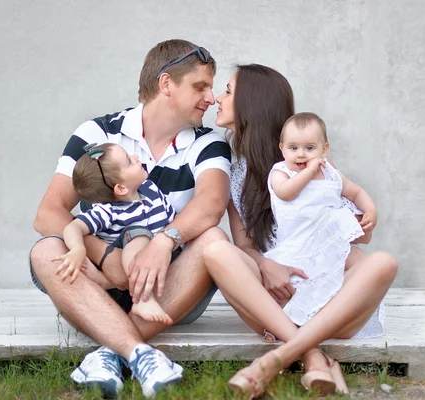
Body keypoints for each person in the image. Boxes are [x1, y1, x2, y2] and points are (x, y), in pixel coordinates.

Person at [29, 39, 231, 398]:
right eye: (200, 86)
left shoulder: (208, 143)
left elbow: (212, 204)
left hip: (167, 288)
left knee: (214, 239)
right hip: (96, 286)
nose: (211, 98)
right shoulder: (97, 134)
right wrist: (107, 258)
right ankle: (138, 354)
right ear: (166, 84)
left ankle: (111, 352)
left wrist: (163, 241)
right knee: (44, 252)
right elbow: (49, 213)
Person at [204, 64, 398, 398]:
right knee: (215, 250)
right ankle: (311, 354)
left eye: (227, 91)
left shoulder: (310, 160)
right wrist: (267, 264)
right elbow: (244, 246)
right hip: (276, 297)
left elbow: (358, 233)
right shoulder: (236, 173)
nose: (217, 99)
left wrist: (360, 210)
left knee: (381, 263)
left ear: (252, 103)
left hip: (329, 299)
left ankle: (278, 357)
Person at [52, 143, 178, 325]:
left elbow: (172, 221)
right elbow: (74, 227)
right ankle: (142, 300)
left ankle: (105, 282)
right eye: (128, 161)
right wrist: (77, 248)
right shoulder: (108, 212)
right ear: (121, 188)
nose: (136, 157)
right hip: (124, 274)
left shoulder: (151, 191)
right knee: (138, 234)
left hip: (157, 266)